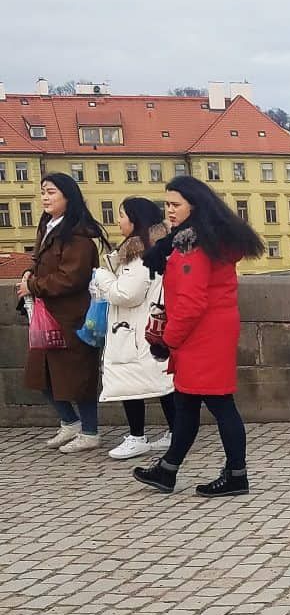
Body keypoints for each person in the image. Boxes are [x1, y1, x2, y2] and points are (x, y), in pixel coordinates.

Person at [132, 176, 265, 497]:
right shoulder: (201, 239)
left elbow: (191, 303)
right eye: (167, 205)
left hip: (202, 335)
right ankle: (168, 470)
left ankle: (236, 474)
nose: (170, 211)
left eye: (176, 205)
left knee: (219, 404)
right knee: (187, 402)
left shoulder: (195, 246)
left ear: (196, 205)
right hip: (208, 331)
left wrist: (168, 339)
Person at [17, 173, 107, 453]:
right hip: (48, 316)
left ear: (68, 196)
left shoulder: (78, 235)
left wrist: (32, 285)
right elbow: (41, 261)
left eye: (52, 192)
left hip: (73, 317)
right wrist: (30, 272)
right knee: (41, 374)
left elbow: (71, 278)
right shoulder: (48, 227)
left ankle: (90, 431)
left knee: (79, 376)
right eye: (43, 192)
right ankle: (70, 423)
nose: (45, 197)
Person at [93, 197, 176, 459]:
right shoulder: (154, 248)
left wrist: (103, 278)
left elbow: (127, 294)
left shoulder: (138, 254)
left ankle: (137, 436)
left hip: (134, 329)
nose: (118, 221)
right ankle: (176, 432)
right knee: (160, 382)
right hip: (146, 327)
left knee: (131, 382)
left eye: (121, 216)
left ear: (135, 220)